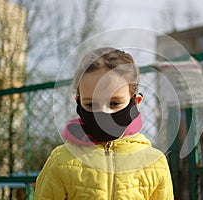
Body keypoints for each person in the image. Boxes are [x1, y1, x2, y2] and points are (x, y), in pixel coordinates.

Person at [34, 47, 174, 200]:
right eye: (91, 105)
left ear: (136, 102)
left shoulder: (154, 163)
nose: (102, 114)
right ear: (78, 103)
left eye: (114, 103)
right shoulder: (61, 161)